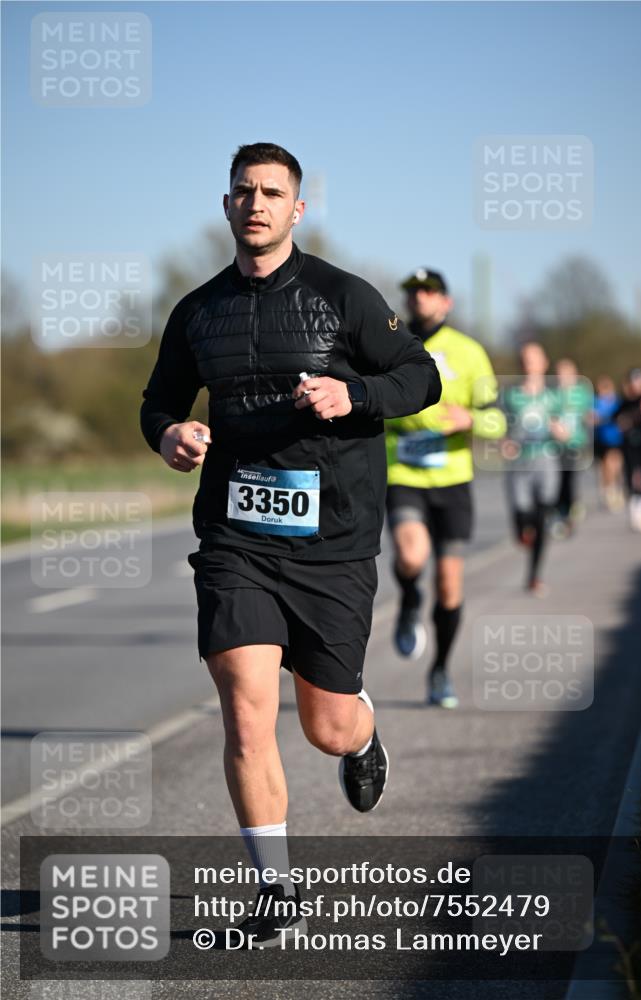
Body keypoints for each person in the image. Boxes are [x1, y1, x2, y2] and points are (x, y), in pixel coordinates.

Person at [140, 143, 440, 946]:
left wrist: (356, 392)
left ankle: (363, 733)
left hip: (333, 540)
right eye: (245, 191)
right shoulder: (197, 311)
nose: (258, 204)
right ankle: (276, 889)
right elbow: (158, 401)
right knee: (244, 713)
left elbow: (421, 376)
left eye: (274, 192)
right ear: (227, 204)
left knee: (324, 727)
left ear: (296, 209)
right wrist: (169, 432)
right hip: (236, 538)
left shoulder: (343, 296)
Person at [384, 268, 505, 708]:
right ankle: (410, 598)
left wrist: (472, 420)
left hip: (453, 479)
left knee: (451, 587)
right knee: (411, 556)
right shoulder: (389, 342)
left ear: (446, 302)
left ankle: (439, 671)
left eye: (429, 291)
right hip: (404, 473)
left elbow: (497, 418)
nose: (420, 298)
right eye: (413, 292)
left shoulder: (469, 352)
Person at [501, 342, 570, 596]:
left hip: (545, 460)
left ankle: (534, 577)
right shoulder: (509, 395)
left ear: (544, 364)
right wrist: (504, 442)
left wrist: (559, 430)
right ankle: (522, 531)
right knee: (522, 520)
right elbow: (499, 427)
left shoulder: (554, 397)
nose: (528, 363)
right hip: (519, 463)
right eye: (524, 359)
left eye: (533, 359)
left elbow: (567, 431)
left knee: (542, 518)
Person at [552, 358, 593, 537]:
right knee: (556, 480)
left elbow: (588, 413)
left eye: (566, 373)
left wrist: (590, 417)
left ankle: (568, 512)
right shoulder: (552, 393)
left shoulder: (582, 393)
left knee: (569, 479)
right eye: (560, 373)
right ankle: (560, 514)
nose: (563, 377)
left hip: (574, 443)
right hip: (554, 444)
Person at [616, 367, 641, 532]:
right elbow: (618, 421)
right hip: (630, 447)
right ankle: (637, 508)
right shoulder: (625, 402)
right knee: (634, 477)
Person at [591, 375, 624, 511]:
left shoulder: (617, 401)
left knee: (615, 465)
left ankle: (613, 488)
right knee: (606, 467)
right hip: (602, 439)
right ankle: (608, 491)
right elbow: (591, 417)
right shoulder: (595, 401)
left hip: (616, 438)